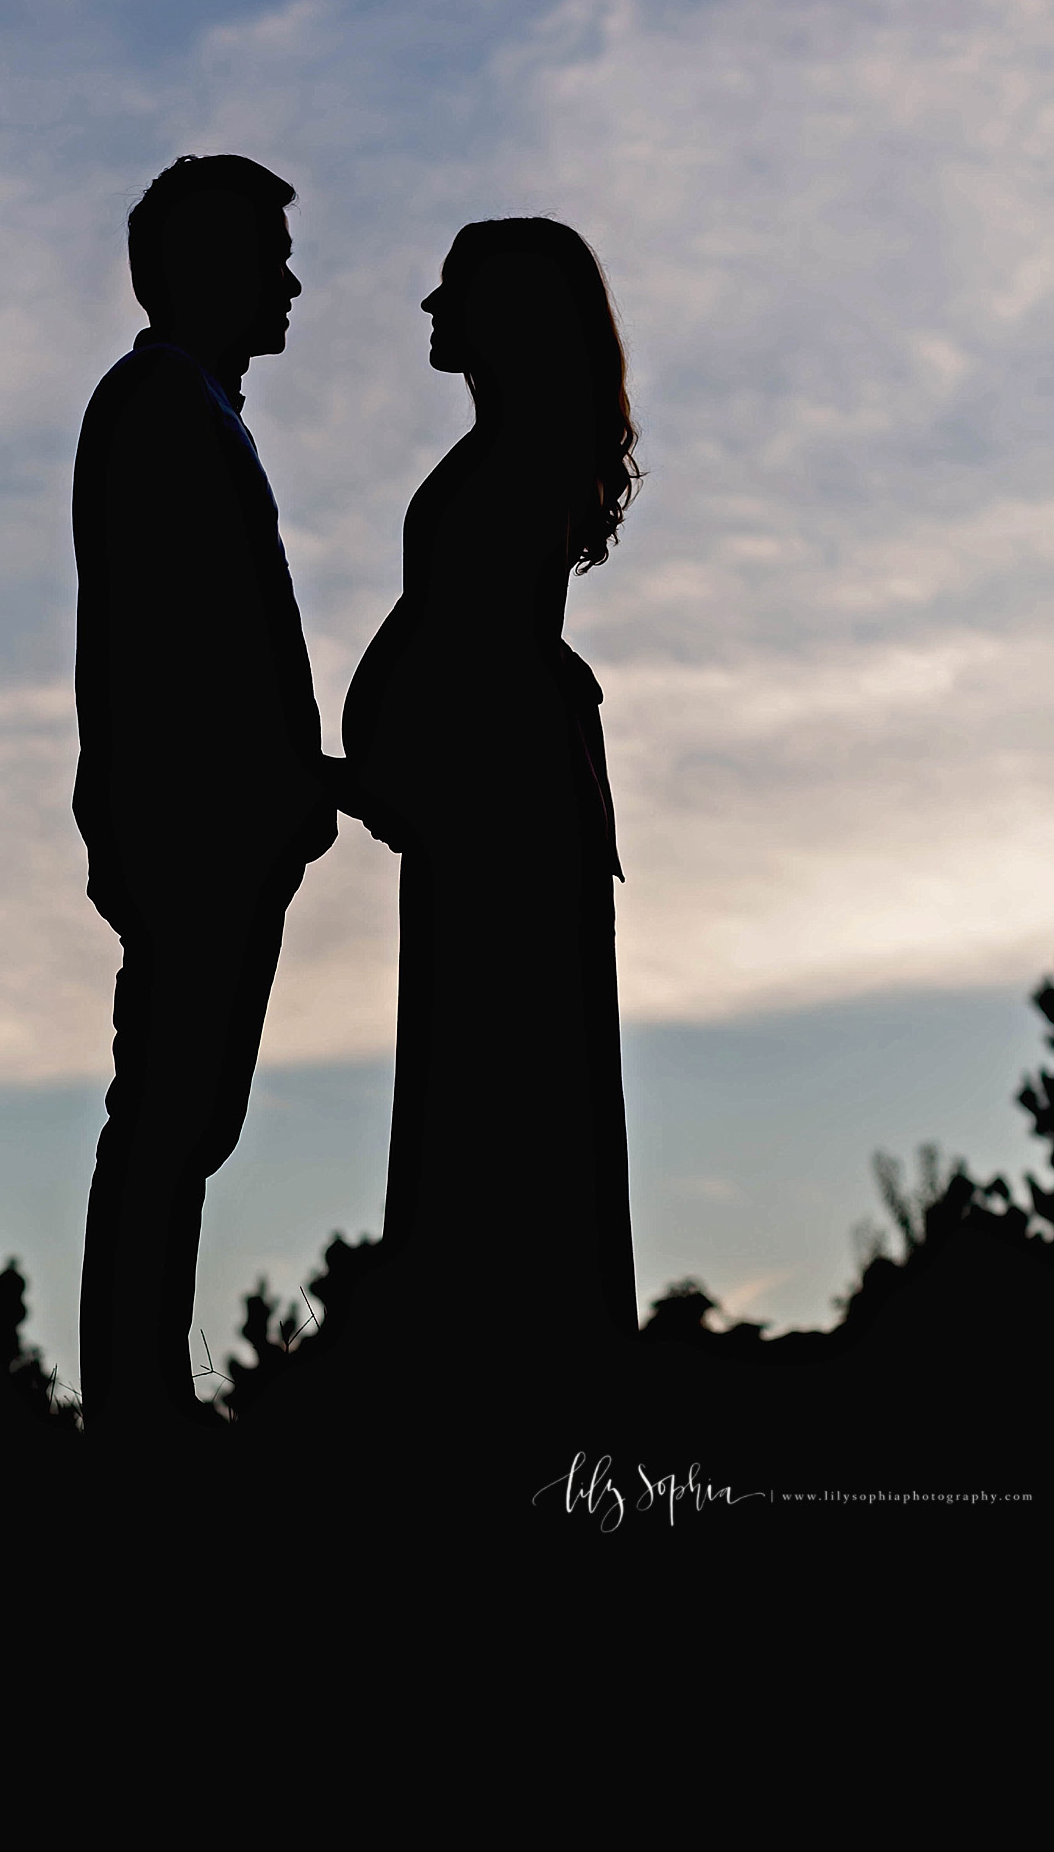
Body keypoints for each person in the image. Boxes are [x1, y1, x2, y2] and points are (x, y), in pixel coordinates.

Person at [334, 216, 642, 1434]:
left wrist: (373, 754)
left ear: (505, 315)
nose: (425, 307)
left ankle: (513, 1405)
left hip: (505, 807)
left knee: (507, 1099)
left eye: (451, 290)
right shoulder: (511, 448)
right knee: (489, 1097)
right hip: (491, 800)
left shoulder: (521, 454)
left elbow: (463, 637)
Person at [71, 154, 338, 1439]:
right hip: (198, 830)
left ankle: (142, 1398)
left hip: (218, 824)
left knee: (183, 1118)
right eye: (270, 254)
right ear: (207, 266)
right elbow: (176, 646)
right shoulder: (161, 404)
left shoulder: (187, 404)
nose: (292, 279)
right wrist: (265, 790)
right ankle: (137, 1409)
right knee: (170, 1116)